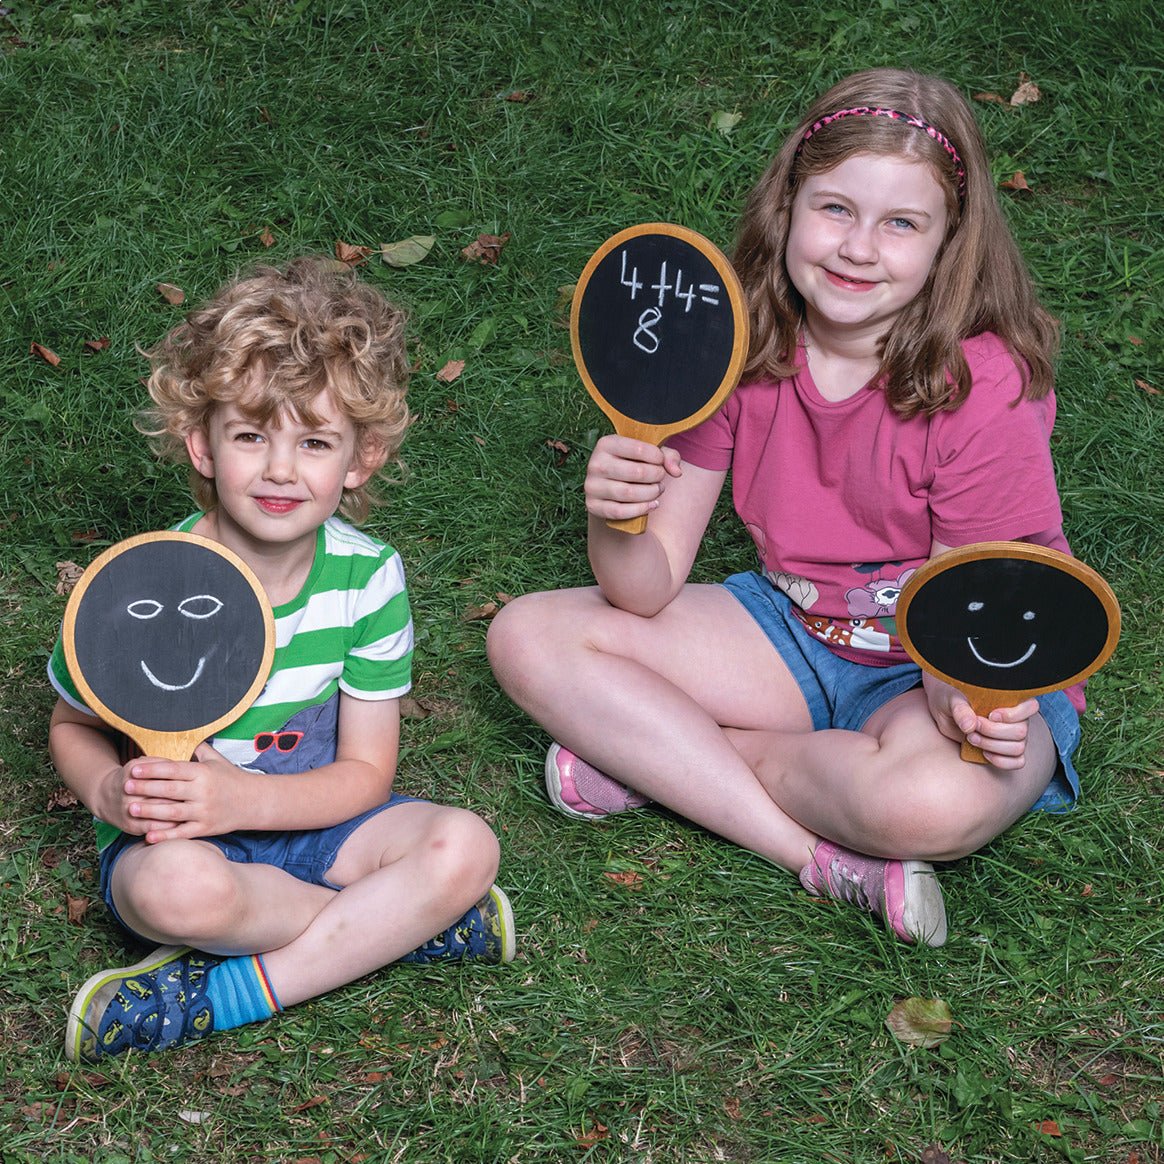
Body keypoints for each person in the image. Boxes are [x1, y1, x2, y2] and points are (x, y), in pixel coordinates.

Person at [487, 68, 1082, 948]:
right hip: (798, 630)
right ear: (788, 206)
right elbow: (644, 589)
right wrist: (615, 515)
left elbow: (983, 612)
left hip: (963, 667)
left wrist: (969, 707)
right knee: (528, 636)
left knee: (932, 805)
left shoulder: (980, 385)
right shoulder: (735, 344)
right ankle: (814, 855)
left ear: (949, 243)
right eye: (835, 209)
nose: (857, 248)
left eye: (902, 224)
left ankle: (661, 758)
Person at [49, 258, 514, 1063]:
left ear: (360, 459)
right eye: (251, 434)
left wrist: (244, 800)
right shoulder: (143, 580)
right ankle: (396, 924)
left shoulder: (368, 577)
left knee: (467, 846)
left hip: (318, 821)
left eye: (316, 441)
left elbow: (367, 776)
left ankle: (224, 995)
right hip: (180, 845)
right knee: (175, 892)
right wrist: (104, 788)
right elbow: (71, 723)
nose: (279, 468)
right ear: (201, 443)